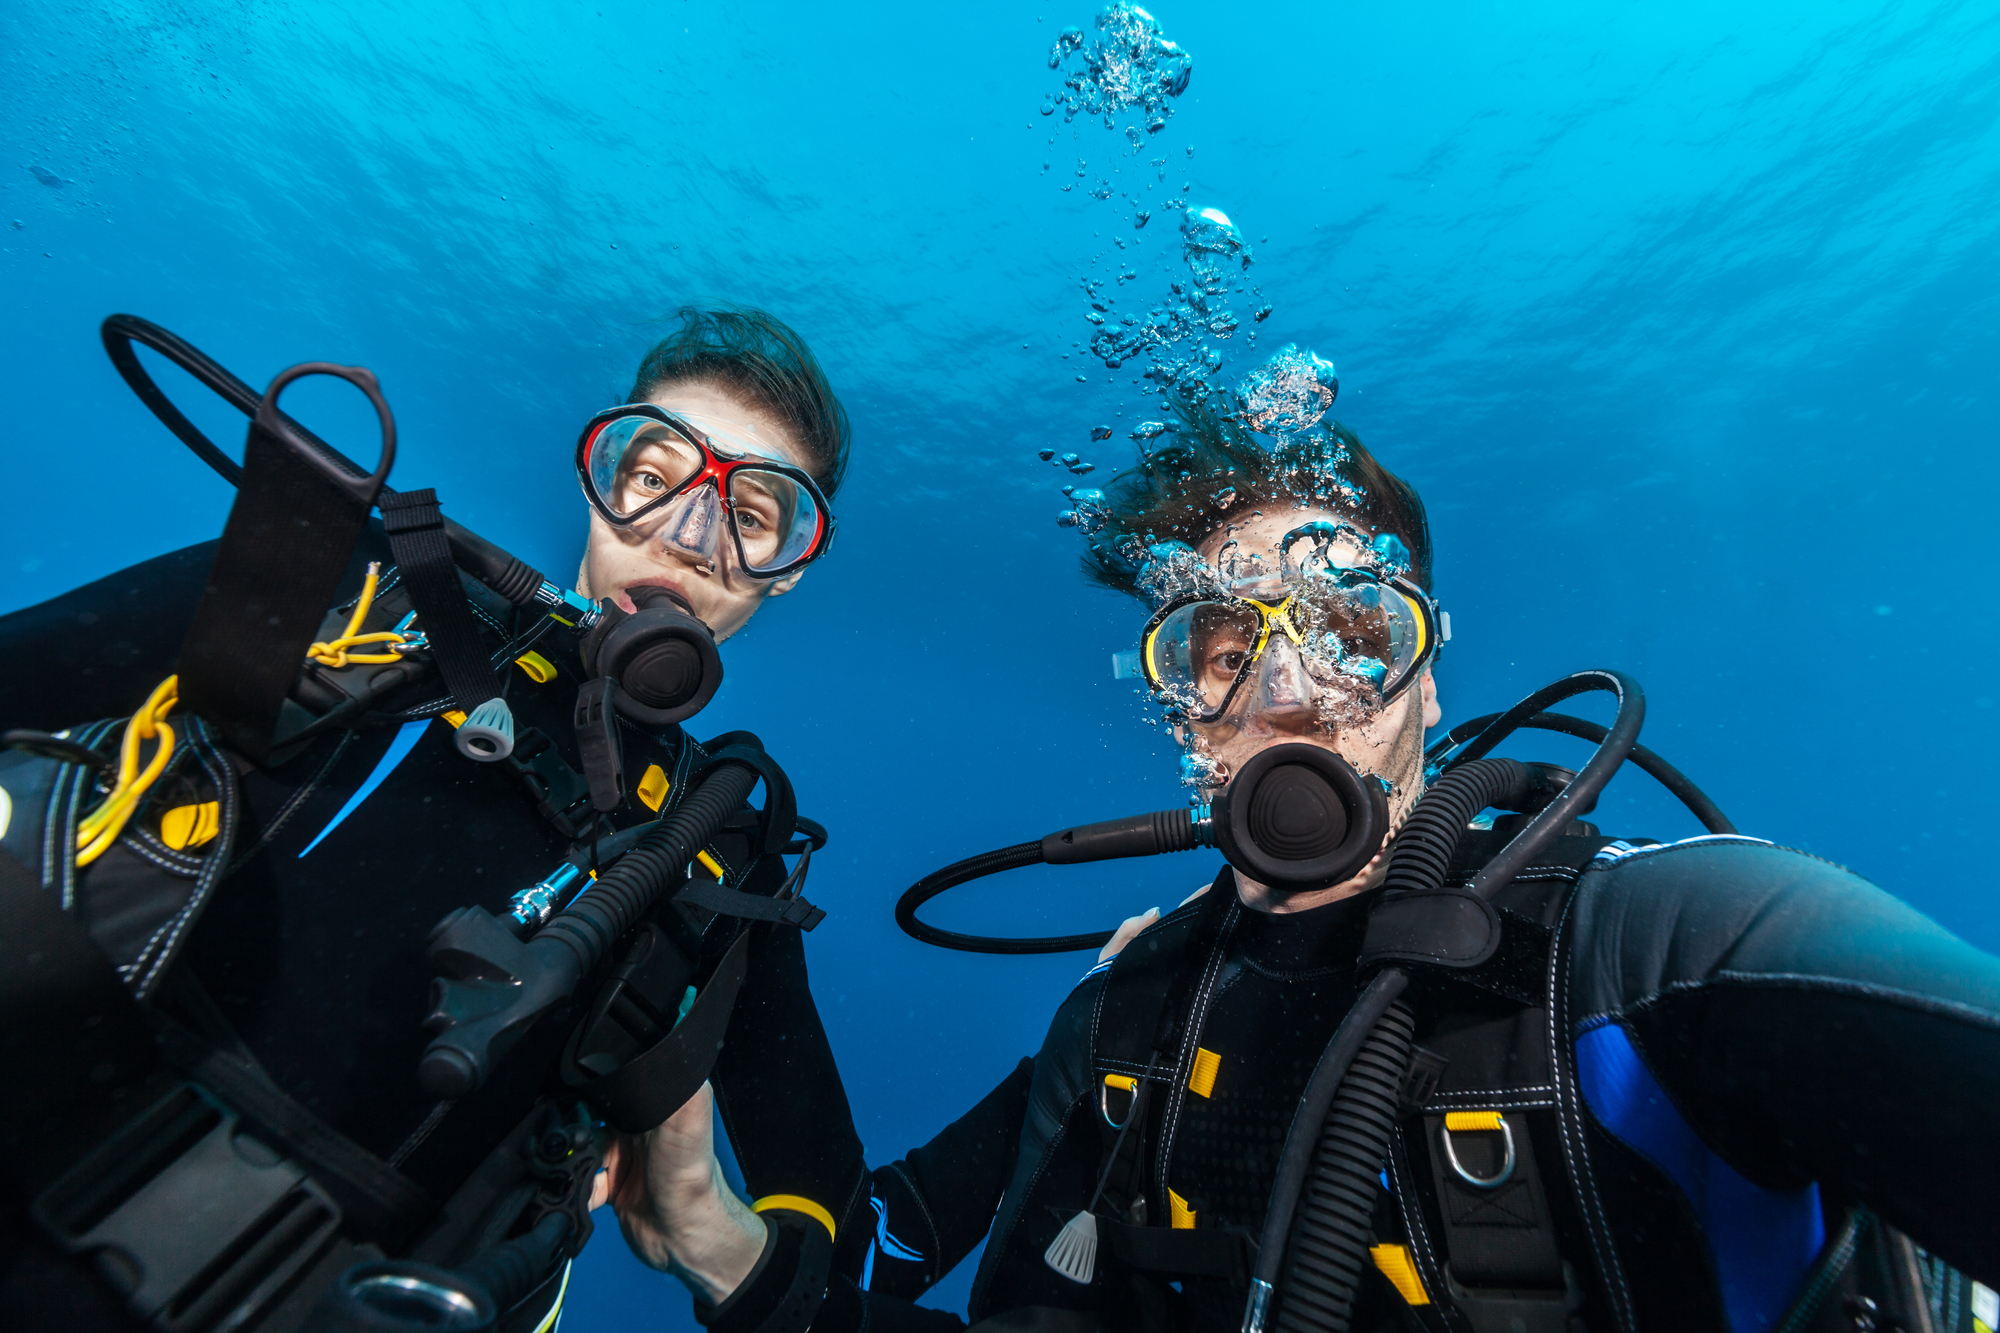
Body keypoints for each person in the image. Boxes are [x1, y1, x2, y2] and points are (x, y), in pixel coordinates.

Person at [598, 385, 2000, 1333]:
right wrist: (727, 1239)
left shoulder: (1664, 941)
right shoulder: (1118, 1029)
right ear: (1178, 712)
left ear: (1429, 678)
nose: (1286, 688)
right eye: (1221, 648)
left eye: (1348, 631)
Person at [0, 305, 856, 1333]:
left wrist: (701, 1227)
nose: (685, 536)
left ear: (791, 566)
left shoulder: (720, 857)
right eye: (654, 474)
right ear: (601, 478)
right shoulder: (352, 596)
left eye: (753, 517)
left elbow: (824, 1238)